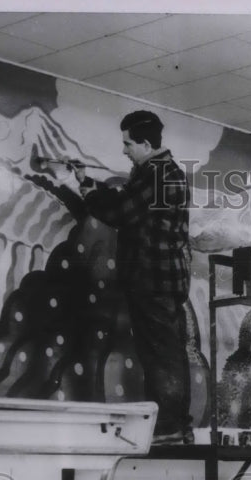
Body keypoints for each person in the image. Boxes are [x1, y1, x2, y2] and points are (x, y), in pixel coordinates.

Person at [71, 110, 193, 446]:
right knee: (169, 353)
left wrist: (88, 193)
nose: (124, 150)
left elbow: (122, 212)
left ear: (145, 143)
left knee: (159, 355)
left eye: (128, 144)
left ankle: (167, 428)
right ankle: (178, 428)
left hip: (151, 279)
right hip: (167, 280)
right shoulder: (164, 173)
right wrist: (91, 187)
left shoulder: (156, 174)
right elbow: (129, 204)